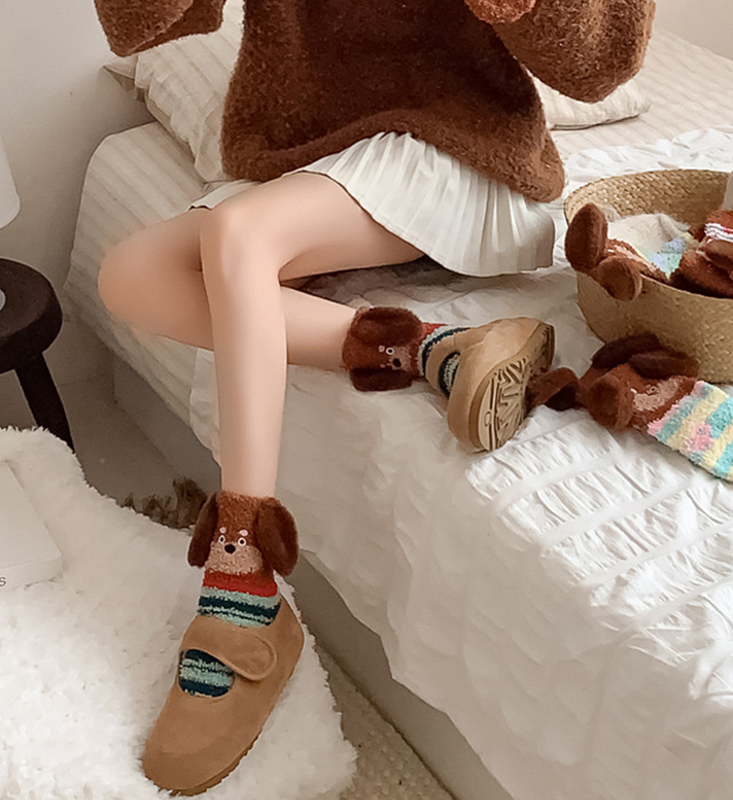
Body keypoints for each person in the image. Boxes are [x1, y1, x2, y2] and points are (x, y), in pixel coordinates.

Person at [92, 0, 655, 793]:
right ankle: (427, 348)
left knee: (239, 237)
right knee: (132, 276)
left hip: (460, 148)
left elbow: (599, 67)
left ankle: (240, 572)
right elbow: (147, 24)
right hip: (312, 162)